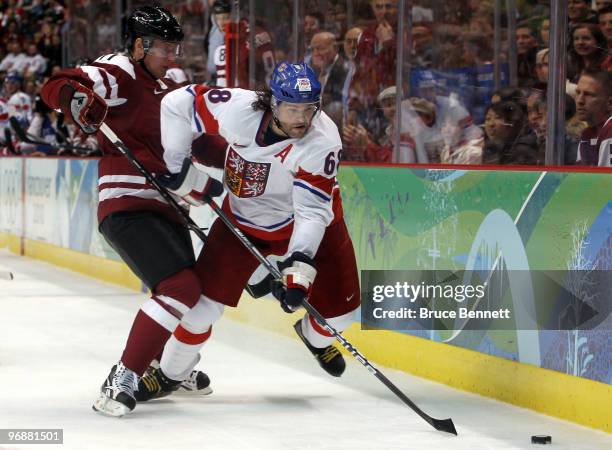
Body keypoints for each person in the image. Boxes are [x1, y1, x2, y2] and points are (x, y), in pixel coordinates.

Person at [40, 6, 224, 417]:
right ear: (139, 46)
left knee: (189, 293)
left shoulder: (170, 83)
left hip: (166, 205)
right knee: (180, 288)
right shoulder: (119, 71)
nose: (173, 57)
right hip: (127, 203)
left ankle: (164, 368)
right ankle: (122, 377)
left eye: (177, 47)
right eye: (165, 48)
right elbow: (57, 84)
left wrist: (236, 150)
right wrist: (73, 99)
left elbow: (194, 141)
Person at [141, 61, 360, 399]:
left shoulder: (322, 140)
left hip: (306, 222)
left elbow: (312, 211)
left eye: (309, 108)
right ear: (273, 103)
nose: (302, 118)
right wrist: (177, 165)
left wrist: (299, 265)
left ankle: (313, 337)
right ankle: (170, 374)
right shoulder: (237, 109)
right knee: (201, 310)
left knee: (342, 316)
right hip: (242, 220)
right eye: (292, 108)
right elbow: (176, 103)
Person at [575, 70, 612, 166]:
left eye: (588, 94)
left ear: (610, 103)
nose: (580, 100)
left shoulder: (610, 130)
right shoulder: (587, 134)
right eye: (578, 92)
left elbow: (607, 179)